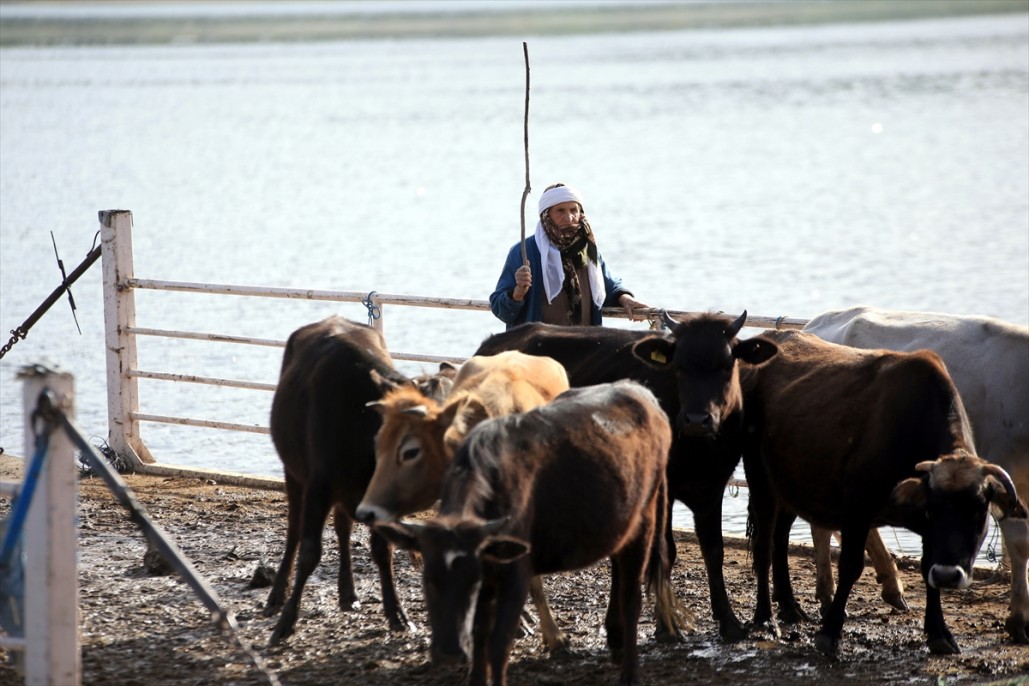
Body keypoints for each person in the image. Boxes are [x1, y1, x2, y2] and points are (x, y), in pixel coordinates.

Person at [490, 183, 650, 329]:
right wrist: (517, 292)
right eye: (560, 211)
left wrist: (625, 298)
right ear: (546, 215)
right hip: (537, 352)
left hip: (584, 350)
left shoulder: (588, 249)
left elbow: (608, 287)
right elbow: (501, 310)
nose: (569, 218)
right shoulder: (524, 251)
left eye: (574, 210)